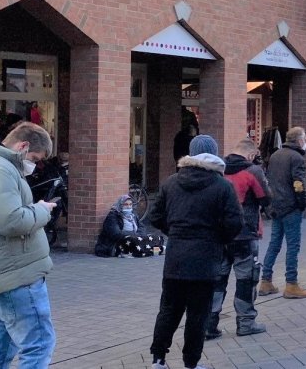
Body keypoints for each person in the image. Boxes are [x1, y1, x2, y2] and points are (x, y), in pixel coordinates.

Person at [148, 137, 243, 369]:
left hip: (176, 258)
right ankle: (191, 362)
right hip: (206, 260)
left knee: (168, 310)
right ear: (215, 154)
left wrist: (175, 231)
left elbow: (155, 216)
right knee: (198, 315)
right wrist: (218, 238)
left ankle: (158, 359)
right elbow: (235, 223)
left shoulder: (171, 183)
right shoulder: (223, 186)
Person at [0, 122, 58, 368]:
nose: (34, 165)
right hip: (16, 274)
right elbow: (10, 221)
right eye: (34, 158)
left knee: (2, 344)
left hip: (2, 272)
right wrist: (42, 210)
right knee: (39, 344)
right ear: (23, 146)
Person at [206, 139, 271, 340]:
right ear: (251, 155)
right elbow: (266, 199)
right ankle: (246, 323)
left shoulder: (218, 170)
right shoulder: (253, 171)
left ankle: (209, 325)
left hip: (219, 235)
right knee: (246, 280)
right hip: (245, 233)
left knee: (217, 281)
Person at [259, 127, 306, 299]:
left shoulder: (275, 155)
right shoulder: (297, 158)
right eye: (304, 138)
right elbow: (299, 183)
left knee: (274, 243)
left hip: (276, 206)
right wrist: (302, 203)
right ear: (299, 140)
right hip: (290, 207)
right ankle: (291, 283)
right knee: (293, 246)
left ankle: (265, 280)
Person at [95, 195, 165, 258]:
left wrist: (140, 235)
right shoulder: (113, 216)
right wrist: (134, 235)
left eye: (130, 204)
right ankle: (159, 250)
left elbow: (141, 227)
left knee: (156, 237)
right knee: (134, 241)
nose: (129, 207)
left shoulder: (133, 215)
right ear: (120, 205)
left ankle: (155, 250)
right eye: (126, 204)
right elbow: (116, 233)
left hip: (135, 237)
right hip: (117, 243)